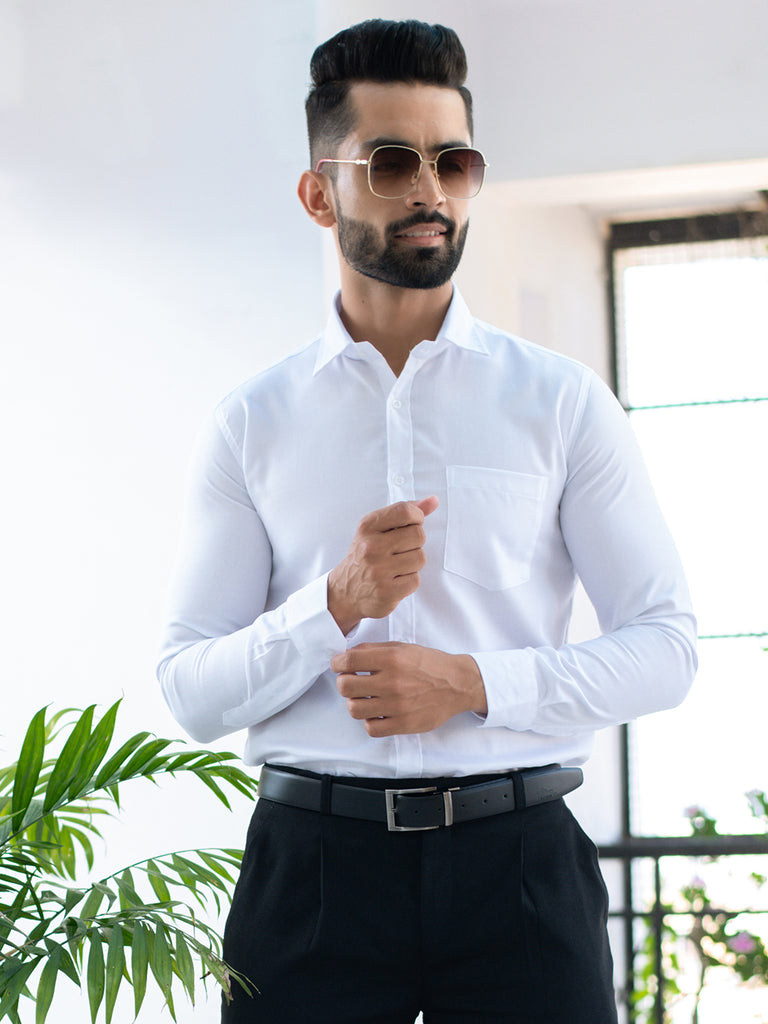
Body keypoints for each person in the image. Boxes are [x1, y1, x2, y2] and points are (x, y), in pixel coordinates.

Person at [157, 19, 697, 1024]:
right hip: (313, 878)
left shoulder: (562, 403)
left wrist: (474, 684)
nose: (430, 190)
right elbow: (190, 691)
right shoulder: (253, 422)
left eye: (453, 163)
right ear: (320, 193)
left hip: (521, 870)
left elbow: (667, 647)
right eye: (392, 162)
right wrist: (332, 604)